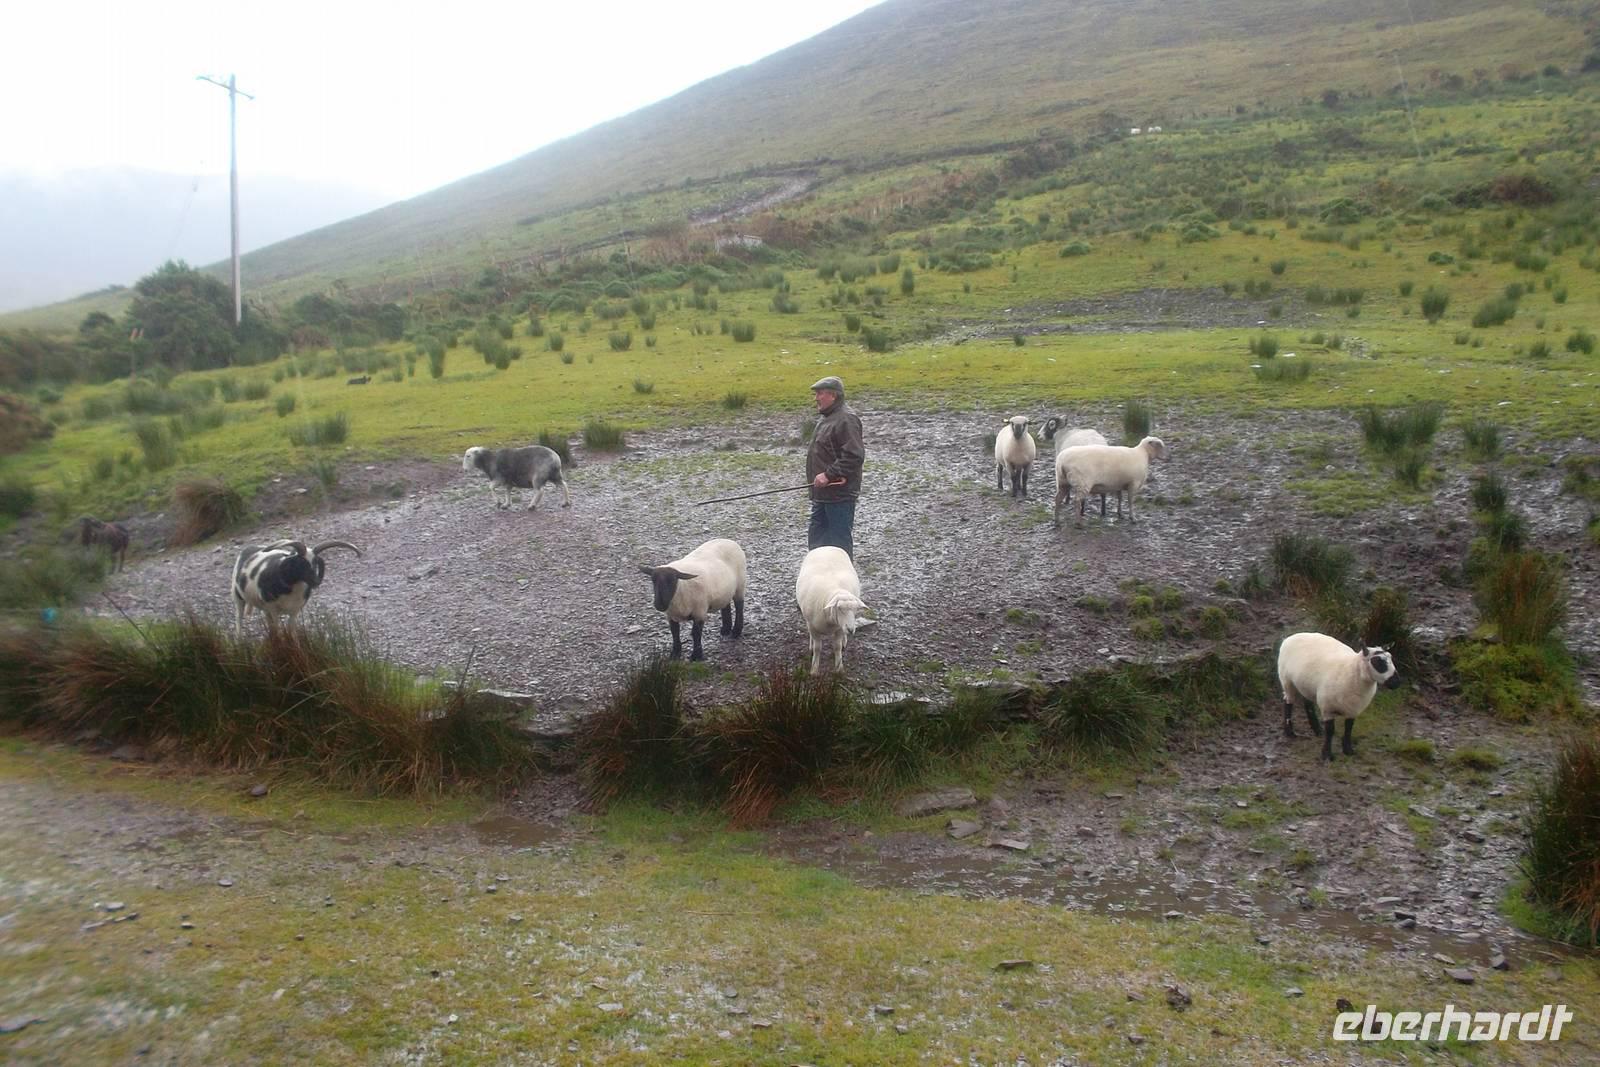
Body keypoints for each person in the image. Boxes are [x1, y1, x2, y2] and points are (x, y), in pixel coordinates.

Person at [805, 375, 864, 557]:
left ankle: (843, 584)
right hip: (823, 495)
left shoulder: (846, 419)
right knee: (817, 544)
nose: (816, 397)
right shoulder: (828, 418)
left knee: (838, 548)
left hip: (839, 496)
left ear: (833, 395)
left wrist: (828, 475)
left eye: (820, 393)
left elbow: (854, 456)